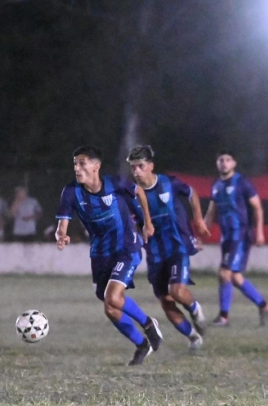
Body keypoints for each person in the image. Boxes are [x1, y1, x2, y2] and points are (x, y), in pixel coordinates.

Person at [55, 145, 164, 365]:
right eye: (75, 163)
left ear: (96, 166)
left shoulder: (115, 184)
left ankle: (149, 324)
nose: (77, 168)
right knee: (110, 307)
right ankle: (141, 345)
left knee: (113, 297)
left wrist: (147, 223)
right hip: (100, 253)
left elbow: (140, 192)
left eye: (82, 163)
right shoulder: (70, 191)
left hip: (126, 247)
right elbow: (62, 224)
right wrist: (62, 235)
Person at [127, 145, 212, 351]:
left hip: (177, 247)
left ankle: (194, 308)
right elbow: (134, 223)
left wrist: (199, 219)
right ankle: (193, 337)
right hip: (155, 255)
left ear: (151, 166)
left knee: (176, 291)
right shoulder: (132, 196)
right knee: (166, 302)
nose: (136, 171)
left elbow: (192, 193)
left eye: (140, 166)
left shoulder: (168, 183)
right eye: (133, 167)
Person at [203, 151, 268, 326]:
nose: (224, 163)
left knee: (224, 273)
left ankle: (223, 317)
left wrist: (259, 232)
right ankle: (264, 306)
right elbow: (211, 212)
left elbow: (258, 208)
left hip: (239, 235)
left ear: (234, 163)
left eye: (228, 160)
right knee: (235, 277)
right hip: (226, 236)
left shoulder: (242, 183)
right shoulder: (217, 185)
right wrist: (202, 234)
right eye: (221, 160)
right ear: (217, 163)